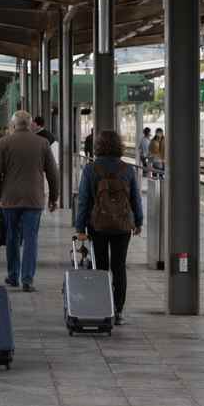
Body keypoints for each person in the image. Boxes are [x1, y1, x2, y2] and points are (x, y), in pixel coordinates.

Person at [74, 130, 143, 326]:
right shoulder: (127, 169)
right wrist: (138, 221)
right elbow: (135, 199)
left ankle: (103, 308)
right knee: (119, 267)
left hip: (98, 225)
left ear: (98, 146)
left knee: (101, 268)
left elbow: (84, 201)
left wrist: (80, 228)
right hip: (122, 225)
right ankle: (119, 311)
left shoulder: (91, 169)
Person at [0, 110, 60, 292]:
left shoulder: (4, 143)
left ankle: (13, 276)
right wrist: (53, 197)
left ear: (13, 125)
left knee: (12, 237)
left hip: (10, 199)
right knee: (31, 239)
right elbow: (53, 174)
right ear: (30, 125)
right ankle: (27, 278)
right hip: (34, 199)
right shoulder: (42, 143)